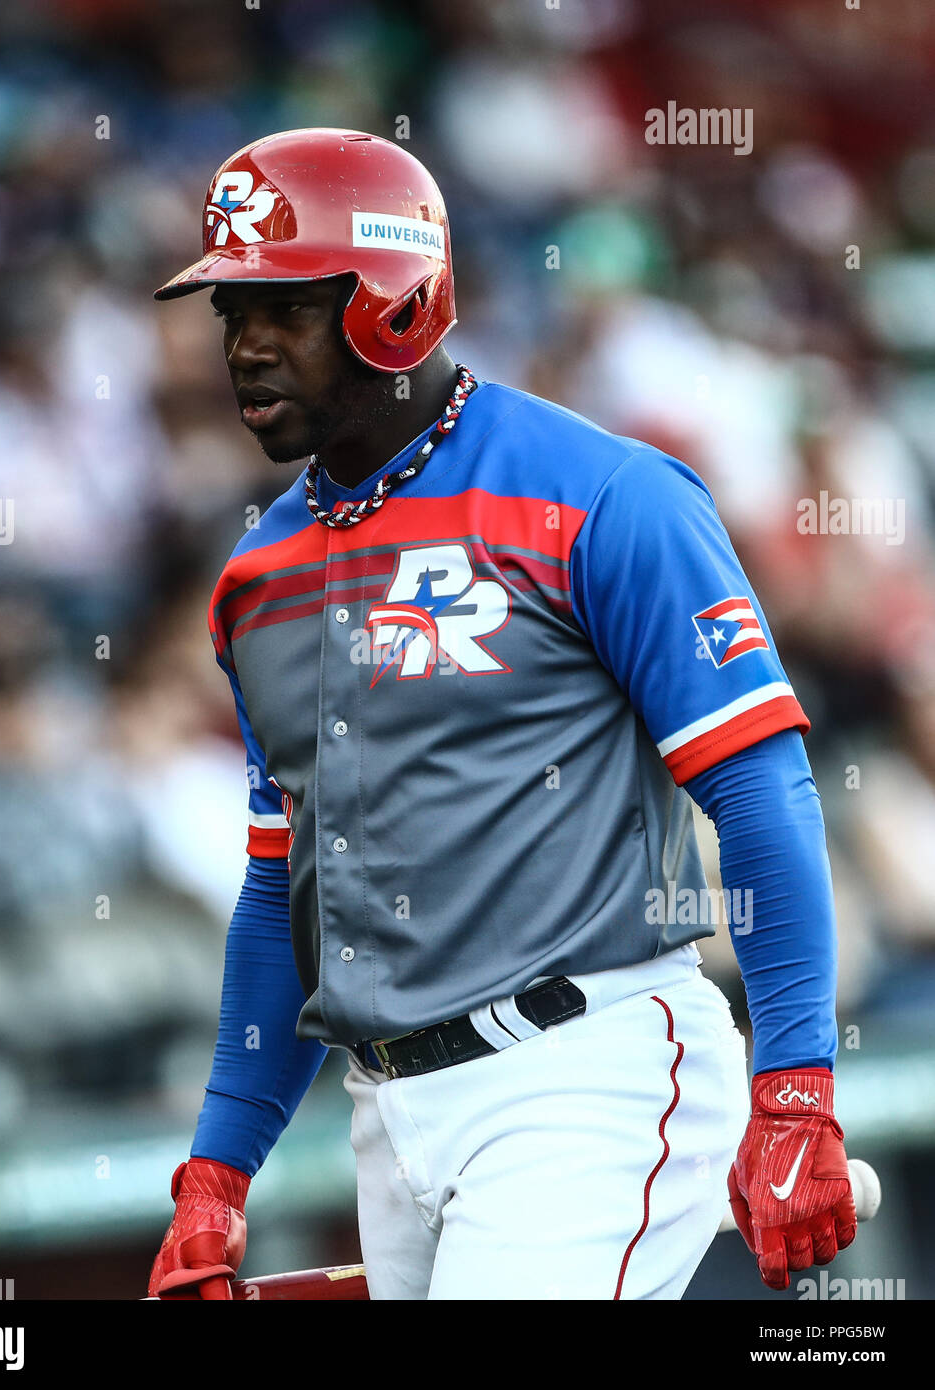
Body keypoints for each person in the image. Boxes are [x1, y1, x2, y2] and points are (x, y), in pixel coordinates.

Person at [147, 128, 855, 1300]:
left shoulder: (602, 494)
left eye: (283, 306)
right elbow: (283, 888)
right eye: (230, 312)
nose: (245, 345)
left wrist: (797, 1086)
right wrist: (217, 1174)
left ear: (392, 303)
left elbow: (761, 790)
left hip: (586, 1073)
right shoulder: (254, 576)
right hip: (387, 1115)